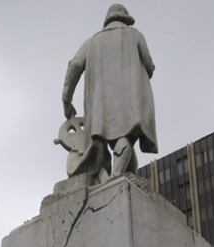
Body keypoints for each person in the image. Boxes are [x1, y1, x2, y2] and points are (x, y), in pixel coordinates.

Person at [62, 4, 158, 179]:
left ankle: (123, 177)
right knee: (124, 137)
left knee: (116, 140)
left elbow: (74, 66)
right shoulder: (135, 35)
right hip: (130, 100)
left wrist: (66, 99)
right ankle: (116, 177)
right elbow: (149, 66)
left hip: (100, 104)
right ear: (125, 19)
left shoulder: (91, 43)